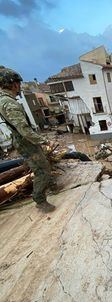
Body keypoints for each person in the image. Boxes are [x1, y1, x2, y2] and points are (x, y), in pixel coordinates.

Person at [0, 66, 57, 213]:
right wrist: (45, 141)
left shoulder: (4, 100)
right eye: (18, 83)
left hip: (24, 140)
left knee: (43, 163)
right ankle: (40, 200)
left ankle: (51, 185)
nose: (19, 87)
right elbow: (24, 130)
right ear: (13, 84)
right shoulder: (9, 103)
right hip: (26, 141)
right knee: (41, 170)